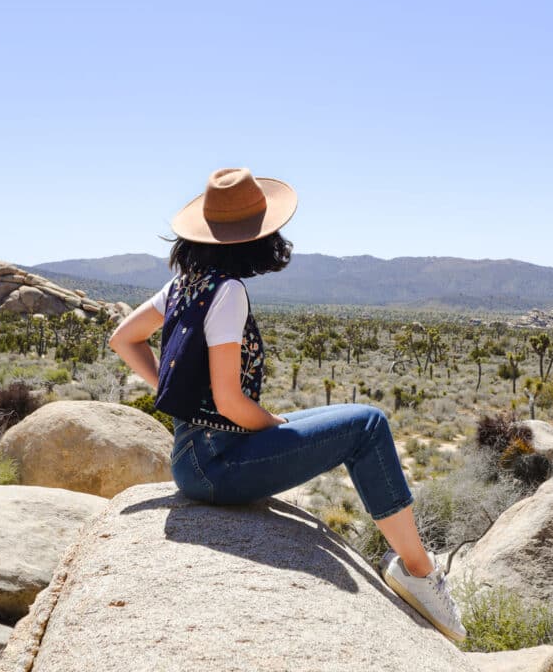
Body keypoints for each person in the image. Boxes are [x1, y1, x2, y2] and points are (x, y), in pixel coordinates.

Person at [109, 167, 466, 643]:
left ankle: (414, 567)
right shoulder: (228, 291)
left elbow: (123, 339)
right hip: (218, 465)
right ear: (253, 237)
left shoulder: (184, 284)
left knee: (336, 418)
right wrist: (269, 421)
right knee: (368, 426)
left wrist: (174, 394)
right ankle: (418, 573)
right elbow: (231, 402)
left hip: (193, 456)